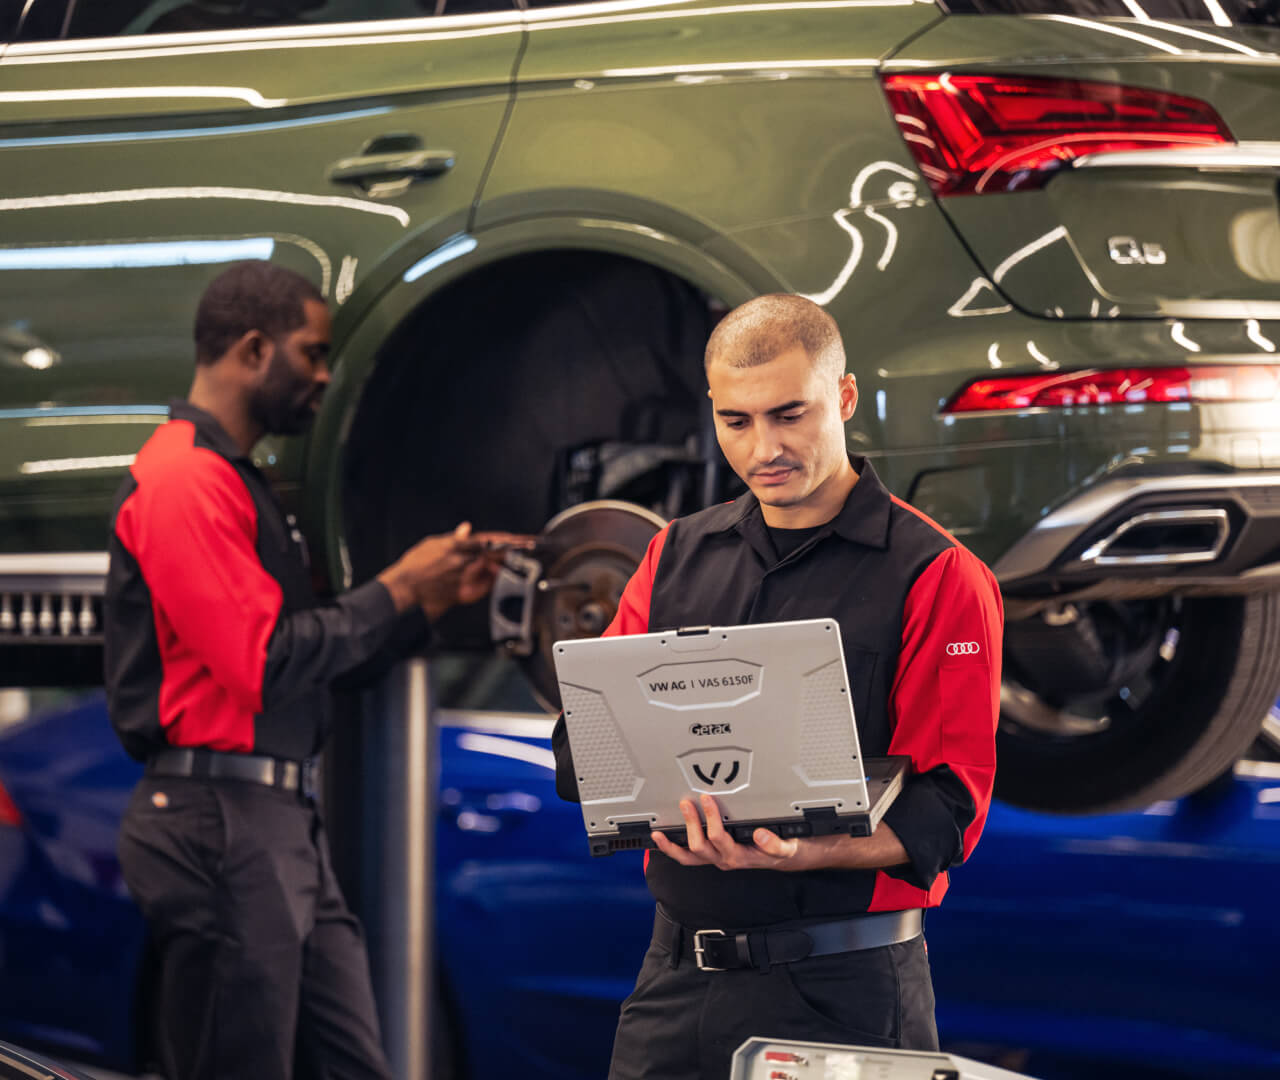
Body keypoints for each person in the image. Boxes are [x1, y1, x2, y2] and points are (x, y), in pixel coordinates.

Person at [552, 293, 1003, 1080]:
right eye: (737, 421)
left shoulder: (938, 576)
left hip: (844, 991)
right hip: (674, 984)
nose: (765, 447)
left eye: (790, 414)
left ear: (845, 397)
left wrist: (800, 855)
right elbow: (588, 745)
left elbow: (947, 816)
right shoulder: (674, 556)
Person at [103, 261, 522, 1080]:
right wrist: (398, 585)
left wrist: (426, 605)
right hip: (220, 819)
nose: (327, 376)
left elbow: (313, 662)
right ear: (255, 350)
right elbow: (263, 662)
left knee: (354, 1064)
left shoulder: (237, 481)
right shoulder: (183, 479)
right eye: (315, 352)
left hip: (273, 820)